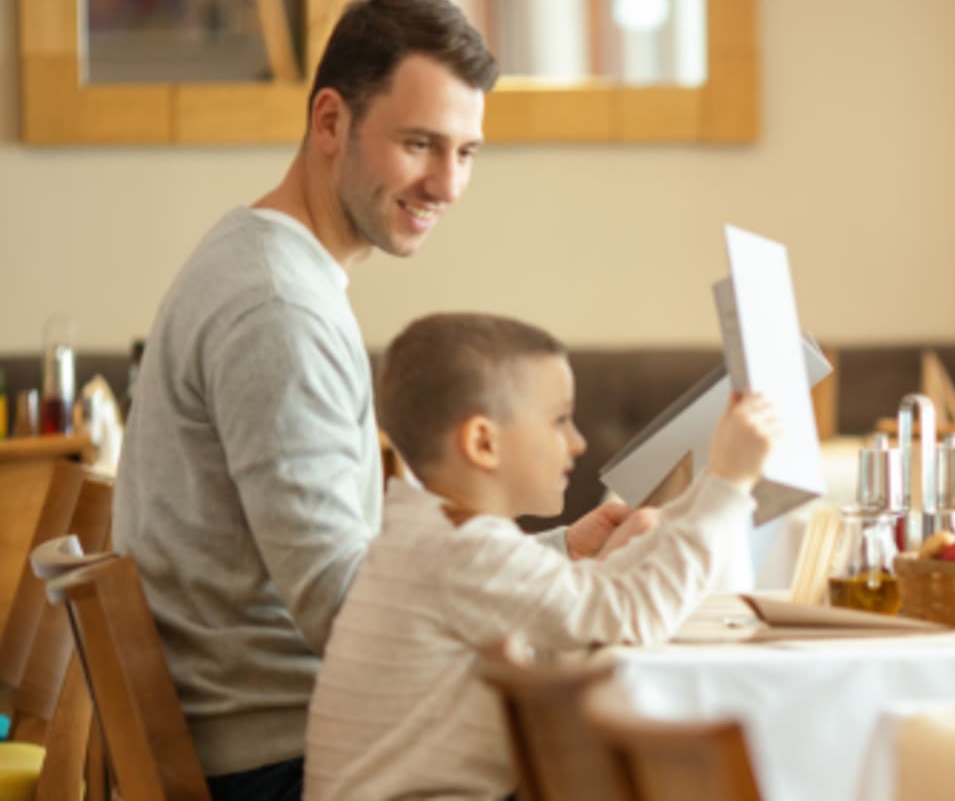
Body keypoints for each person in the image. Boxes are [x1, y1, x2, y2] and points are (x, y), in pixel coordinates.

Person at [111, 0, 652, 799]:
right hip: (285, 765)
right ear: (330, 122)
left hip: (293, 737)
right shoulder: (278, 308)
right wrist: (561, 595)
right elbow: (350, 612)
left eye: (466, 152)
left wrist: (559, 555)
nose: (446, 184)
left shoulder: (269, 265)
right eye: (420, 144)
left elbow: (373, 583)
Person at [303, 313, 777, 799]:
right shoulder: (465, 550)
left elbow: (585, 605)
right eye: (559, 420)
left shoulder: (427, 530)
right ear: (483, 442)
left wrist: (685, 510)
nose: (578, 443)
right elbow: (627, 616)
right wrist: (727, 485)